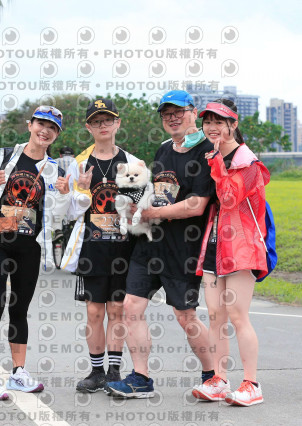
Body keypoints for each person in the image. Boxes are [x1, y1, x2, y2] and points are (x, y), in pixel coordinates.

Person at [106, 90, 216, 398]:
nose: (172, 118)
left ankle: (213, 375)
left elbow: (197, 204)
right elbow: (156, 192)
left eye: (178, 112)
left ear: (193, 112)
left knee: (185, 315)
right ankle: (141, 377)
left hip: (183, 248)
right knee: (131, 306)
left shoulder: (207, 152)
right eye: (167, 114)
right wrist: (135, 207)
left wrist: (153, 213)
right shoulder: (164, 149)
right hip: (150, 243)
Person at [0, 105, 71, 401]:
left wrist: (65, 194)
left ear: (56, 135)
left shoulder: (56, 170)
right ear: (30, 125)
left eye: (52, 128)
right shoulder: (5, 156)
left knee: (19, 309)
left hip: (29, 246)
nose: (45, 131)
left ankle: (18, 373)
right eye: (41, 124)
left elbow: (58, 216)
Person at [191, 99, 270, 406]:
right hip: (214, 245)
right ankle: (219, 379)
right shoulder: (212, 155)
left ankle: (251, 384)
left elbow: (228, 197)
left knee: (237, 316)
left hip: (241, 247)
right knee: (215, 316)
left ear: (233, 125)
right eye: (207, 122)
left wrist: (214, 161)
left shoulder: (248, 162)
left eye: (219, 122)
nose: (212, 127)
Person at [60, 98, 143, 392]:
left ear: (118, 123)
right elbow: (68, 214)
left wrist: (136, 209)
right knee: (94, 312)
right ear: (88, 127)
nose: (102, 125)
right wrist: (79, 191)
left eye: (107, 120)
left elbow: (141, 210)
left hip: (123, 248)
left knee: (117, 310)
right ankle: (96, 372)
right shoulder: (79, 164)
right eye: (96, 121)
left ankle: (114, 371)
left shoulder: (133, 164)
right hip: (92, 247)